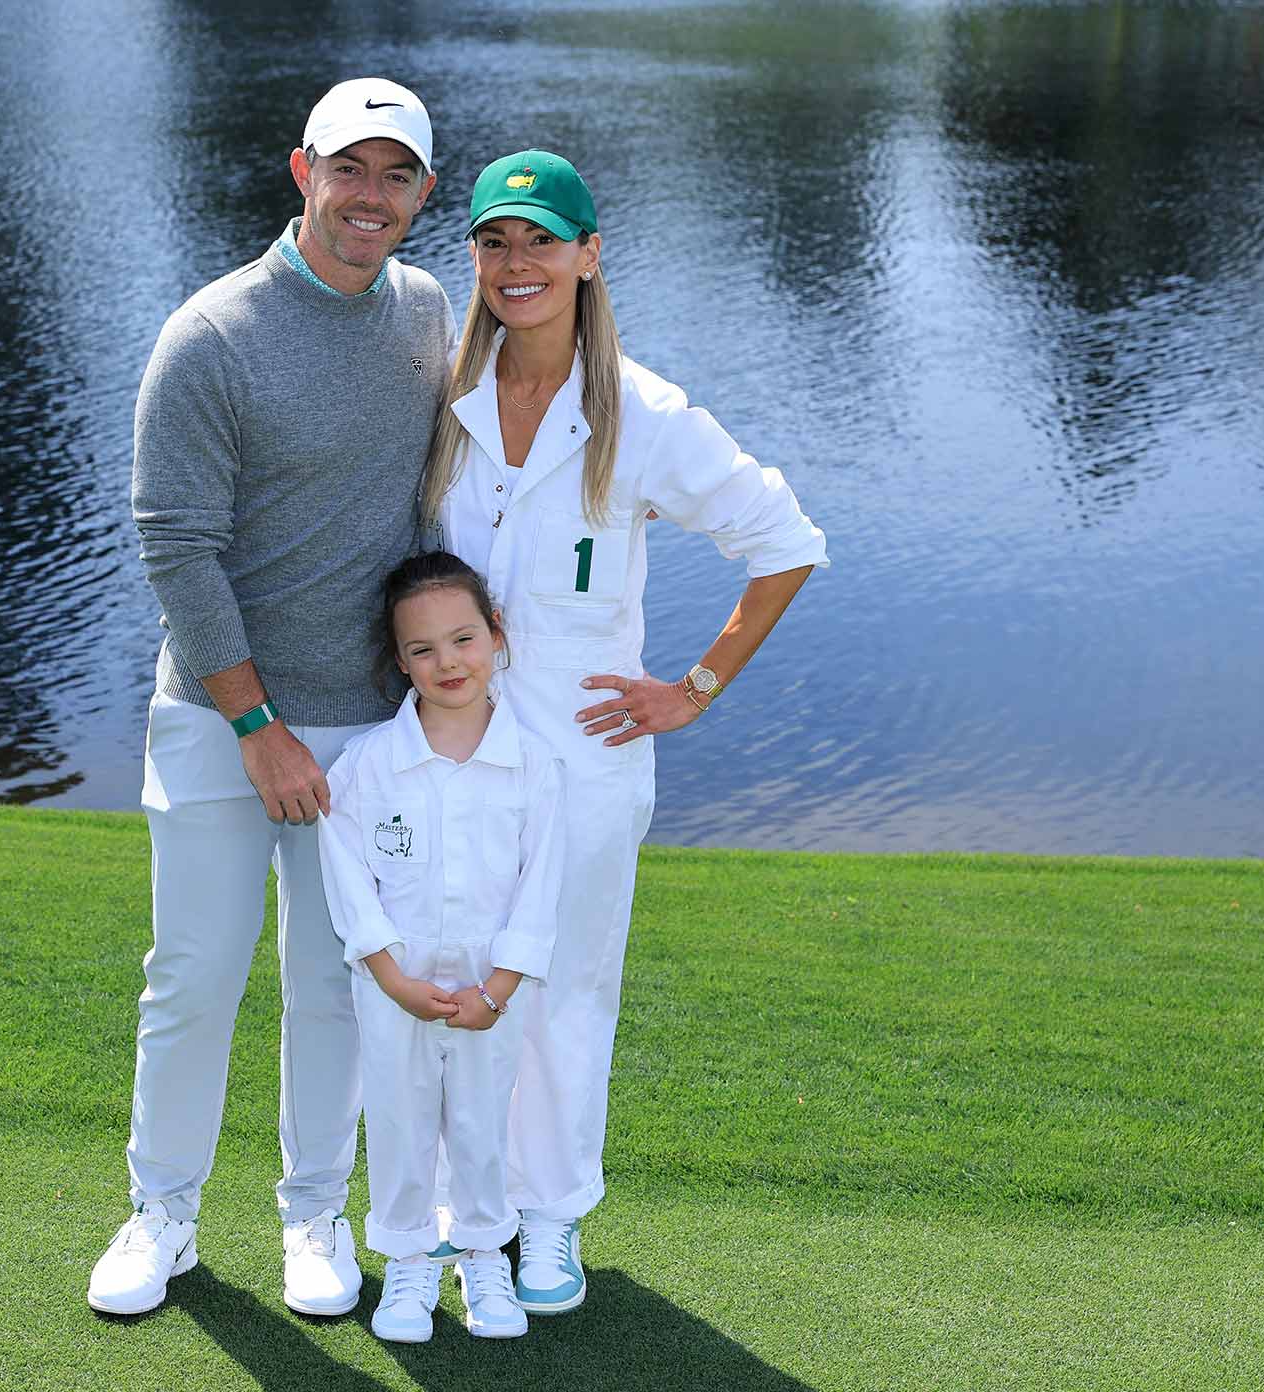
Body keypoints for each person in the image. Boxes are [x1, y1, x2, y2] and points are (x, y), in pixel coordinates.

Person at [421, 150, 829, 1314]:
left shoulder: (642, 417)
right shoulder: (436, 399)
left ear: (588, 256)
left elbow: (784, 540)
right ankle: (463, 1216)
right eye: (495, 242)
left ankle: (549, 1223)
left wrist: (693, 688)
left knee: (563, 997)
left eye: (541, 241)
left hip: (588, 769)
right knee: (453, 982)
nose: (517, 264)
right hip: (452, 762)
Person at [87, 78, 455, 1318]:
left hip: (364, 724)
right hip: (217, 715)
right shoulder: (212, 334)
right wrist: (255, 728)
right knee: (191, 973)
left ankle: (313, 1217)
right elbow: (174, 541)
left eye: (394, 175)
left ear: (420, 195)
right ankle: (163, 1215)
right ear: (302, 173)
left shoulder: (424, 313)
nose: (370, 196)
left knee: (336, 980)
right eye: (347, 169)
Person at [317, 552, 564, 1343]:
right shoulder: (368, 767)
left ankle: (485, 1253)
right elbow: (349, 879)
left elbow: (542, 885)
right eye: (422, 650)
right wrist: (390, 976)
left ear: (498, 637)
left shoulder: (534, 765)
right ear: (399, 662)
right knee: (397, 1117)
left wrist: (499, 988)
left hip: (493, 991)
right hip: (397, 986)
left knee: (485, 1123)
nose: (446, 662)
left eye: (463, 639)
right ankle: (408, 1259)